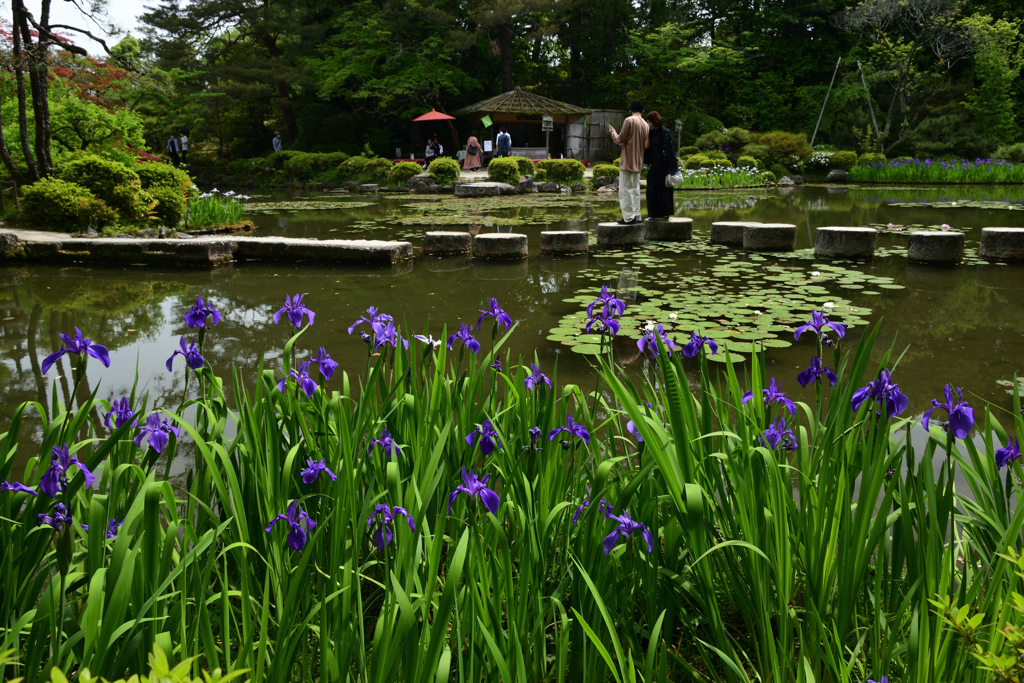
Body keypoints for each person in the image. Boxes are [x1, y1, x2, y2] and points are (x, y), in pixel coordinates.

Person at [608, 100, 649, 225]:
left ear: (631, 110)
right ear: (642, 111)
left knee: (625, 189)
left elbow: (620, 138)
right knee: (635, 189)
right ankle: (637, 215)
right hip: (638, 161)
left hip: (627, 161)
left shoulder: (629, 120)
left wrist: (612, 132)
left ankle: (628, 218)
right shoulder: (646, 125)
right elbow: (642, 143)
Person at [643, 111, 677, 219]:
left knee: (663, 190)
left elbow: (670, 149)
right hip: (654, 164)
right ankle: (653, 213)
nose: (648, 123)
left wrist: (672, 167)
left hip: (664, 165)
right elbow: (647, 147)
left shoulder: (664, 131)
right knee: (651, 189)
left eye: (649, 121)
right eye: (647, 122)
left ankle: (665, 213)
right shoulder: (650, 133)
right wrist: (647, 133)